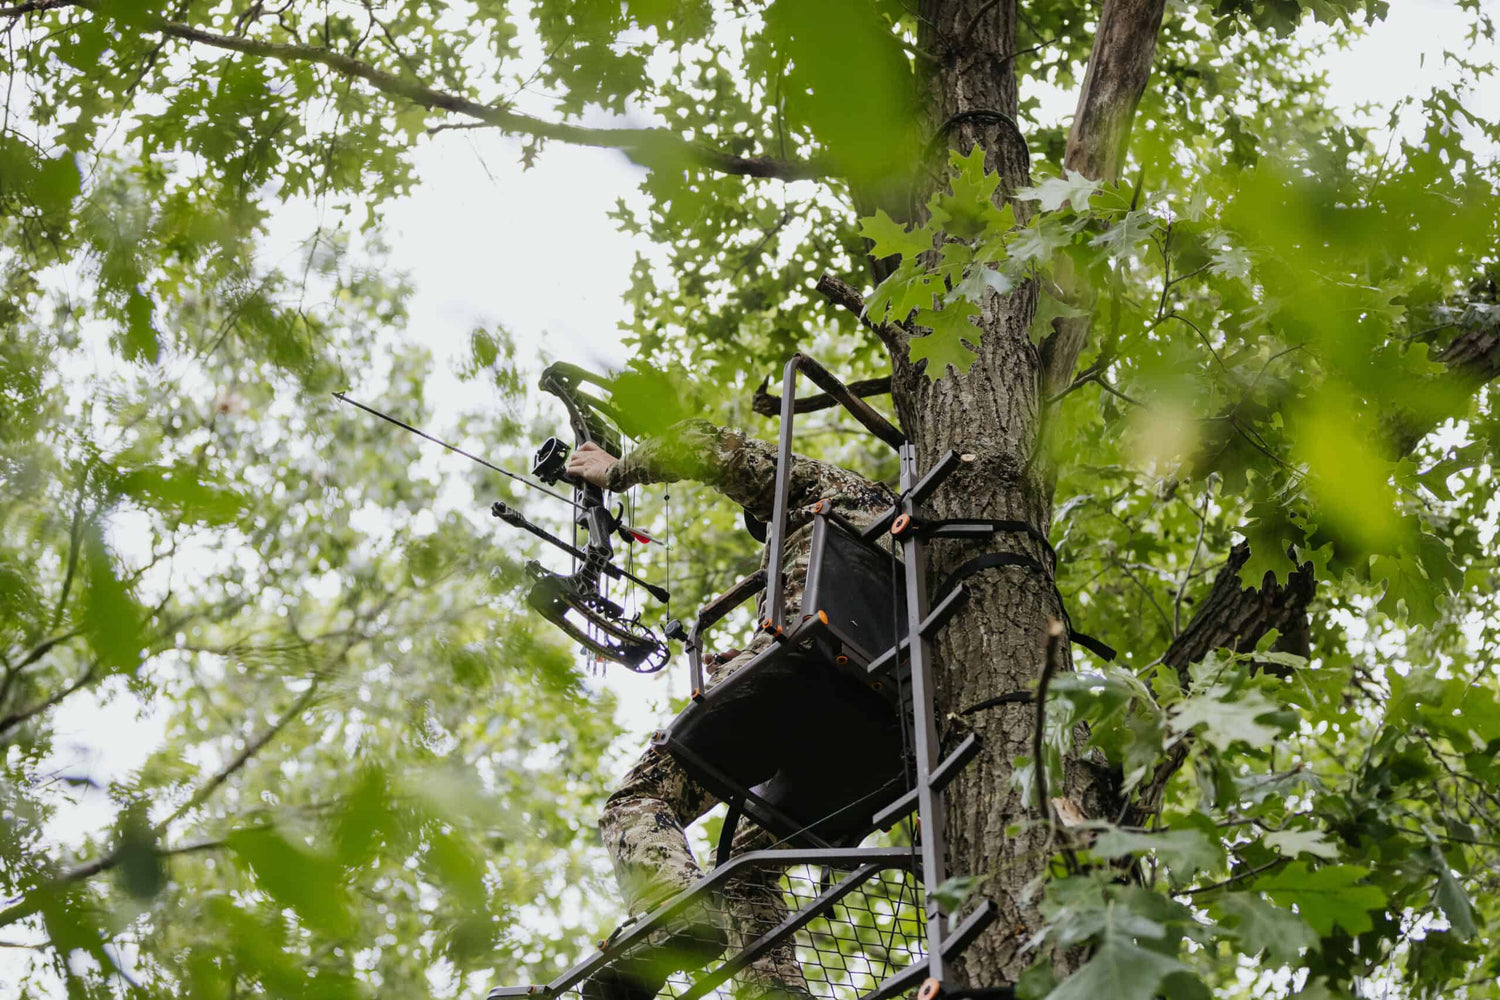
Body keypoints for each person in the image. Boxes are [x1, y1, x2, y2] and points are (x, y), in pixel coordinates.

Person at [564, 420, 896, 1000]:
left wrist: (613, 470)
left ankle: (671, 914)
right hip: (889, 736)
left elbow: (703, 443)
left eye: (763, 523)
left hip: (807, 669)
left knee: (638, 799)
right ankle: (776, 991)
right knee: (746, 871)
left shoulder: (834, 490)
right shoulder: (916, 550)